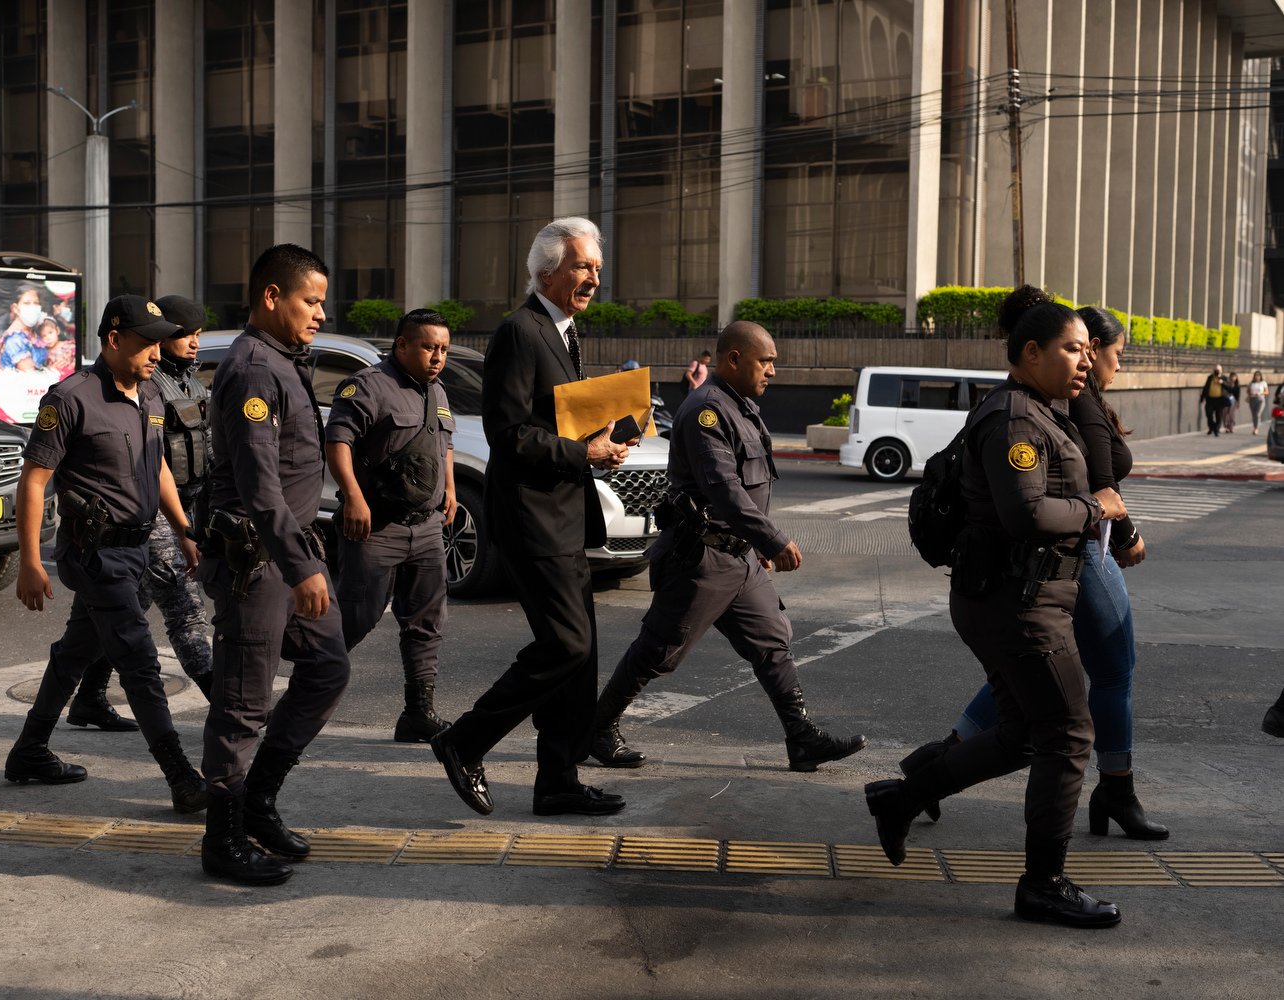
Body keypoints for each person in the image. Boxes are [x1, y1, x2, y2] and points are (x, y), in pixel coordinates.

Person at [862, 286, 1128, 929]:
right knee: (1068, 735)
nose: (1084, 361)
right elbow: (1028, 512)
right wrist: (1100, 508)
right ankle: (1044, 883)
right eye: (1072, 349)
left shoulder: (1041, 409)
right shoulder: (1015, 418)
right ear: (1030, 352)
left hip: (1017, 599)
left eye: (1089, 351)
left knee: (1022, 734)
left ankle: (902, 797)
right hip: (1020, 604)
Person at [902, 307, 1164, 841]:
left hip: (1056, 554)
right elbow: (1094, 486)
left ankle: (932, 769)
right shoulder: (1046, 407)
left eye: (1091, 351)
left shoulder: (1051, 400)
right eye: (1091, 350)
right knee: (1100, 684)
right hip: (1066, 555)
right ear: (1038, 351)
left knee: (1034, 694)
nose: (1098, 363)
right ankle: (1112, 792)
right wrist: (1121, 526)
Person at [588, 321, 866, 773]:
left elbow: (753, 490)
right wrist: (773, 541)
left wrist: (756, 548)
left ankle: (802, 739)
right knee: (659, 648)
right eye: (766, 360)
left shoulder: (742, 408)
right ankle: (599, 728)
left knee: (772, 642)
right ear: (733, 359)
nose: (773, 370)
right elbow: (725, 489)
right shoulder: (707, 411)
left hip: (740, 558)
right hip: (702, 558)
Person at [429, 216, 634, 818]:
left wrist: (602, 439)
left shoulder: (565, 332)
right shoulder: (520, 332)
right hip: (530, 518)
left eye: (597, 267)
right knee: (566, 646)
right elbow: (508, 432)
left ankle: (559, 781)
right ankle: (465, 741)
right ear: (548, 270)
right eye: (582, 266)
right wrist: (582, 451)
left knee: (582, 652)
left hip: (566, 513)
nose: (593, 277)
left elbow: (553, 421)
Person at [4, 295, 208, 816]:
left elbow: (158, 465)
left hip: (137, 546)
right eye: (146, 343)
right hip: (94, 554)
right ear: (114, 340)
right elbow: (35, 480)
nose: (157, 354)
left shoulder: (150, 397)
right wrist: (29, 561)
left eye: (160, 343)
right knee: (140, 662)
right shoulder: (70, 398)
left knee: (75, 652)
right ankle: (182, 776)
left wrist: (183, 529)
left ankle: (29, 751)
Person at [197, 244, 351, 886]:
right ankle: (222, 838)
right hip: (257, 561)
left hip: (285, 554)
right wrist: (300, 565)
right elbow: (260, 484)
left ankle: (257, 800)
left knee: (326, 666)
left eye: (321, 302)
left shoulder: (285, 362)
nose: (319, 313)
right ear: (270, 297)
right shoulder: (256, 368)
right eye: (309, 301)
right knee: (242, 703)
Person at [65, 295, 216, 732]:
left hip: (181, 512)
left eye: (197, 334)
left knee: (106, 621)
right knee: (184, 610)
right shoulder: (143, 389)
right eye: (185, 334)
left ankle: (88, 698)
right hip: (143, 517)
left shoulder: (191, 384)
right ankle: (222, 700)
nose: (193, 342)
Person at [326, 308, 456, 743]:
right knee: (354, 619)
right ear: (402, 345)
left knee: (426, 622)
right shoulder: (369, 385)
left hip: (427, 528)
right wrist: (354, 498)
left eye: (442, 349)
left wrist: (450, 490)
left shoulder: (437, 390)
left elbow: (444, 444)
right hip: (376, 528)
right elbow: (338, 441)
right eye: (427, 347)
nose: (436, 356)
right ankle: (305, 697)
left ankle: (419, 712)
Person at [0, 284, 47, 372]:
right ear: (15, 308)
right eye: (27, 303)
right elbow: (30, 373)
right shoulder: (15, 340)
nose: (32, 307)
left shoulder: (32, 333)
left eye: (36, 303)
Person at [1200, 364, 1226, 436]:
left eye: (1218, 370)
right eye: (1215, 370)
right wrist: (1202, 398)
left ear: (1221, 371)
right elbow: (1205, 388)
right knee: (1209, 415)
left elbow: (1229, 387)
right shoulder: (1210, 377)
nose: (1216, 371)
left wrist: (1222, 382)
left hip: (1220, 399)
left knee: (1218, 416)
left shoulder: (1224, 378)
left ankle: (1216, 430)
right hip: (1210, 399)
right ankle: (1212, 428)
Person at [1246, 370, 1269, 435]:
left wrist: (1260, 393)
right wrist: (1251, 392)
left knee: (1257, 414)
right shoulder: (1251, 383)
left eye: (1258, 375)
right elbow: (1247, 391)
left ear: (1260, 376)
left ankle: (1256, 428)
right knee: (1254, 415)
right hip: (1252, 399)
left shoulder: (1263, 383)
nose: (1257, 377)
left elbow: (1267, 392)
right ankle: (1255, 427)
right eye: (1256, 375)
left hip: (1260, 399)